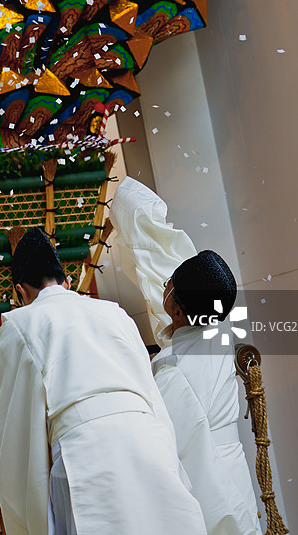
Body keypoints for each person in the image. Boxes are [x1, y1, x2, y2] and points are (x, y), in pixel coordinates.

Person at [0, 226, 207, 535]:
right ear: (67, 283)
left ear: (21, 292)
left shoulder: (21, 322)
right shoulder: (115, 313)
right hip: (148, 440)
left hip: (84, 453)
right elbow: (149, 391)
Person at [111, 177, 262, 535]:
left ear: (176, 311)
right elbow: (159, 247)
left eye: (169, 287)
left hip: (209, 488)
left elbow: (164, 448)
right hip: (233, 473)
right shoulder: (217, 328)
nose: (163, 286)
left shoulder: (174, 371)